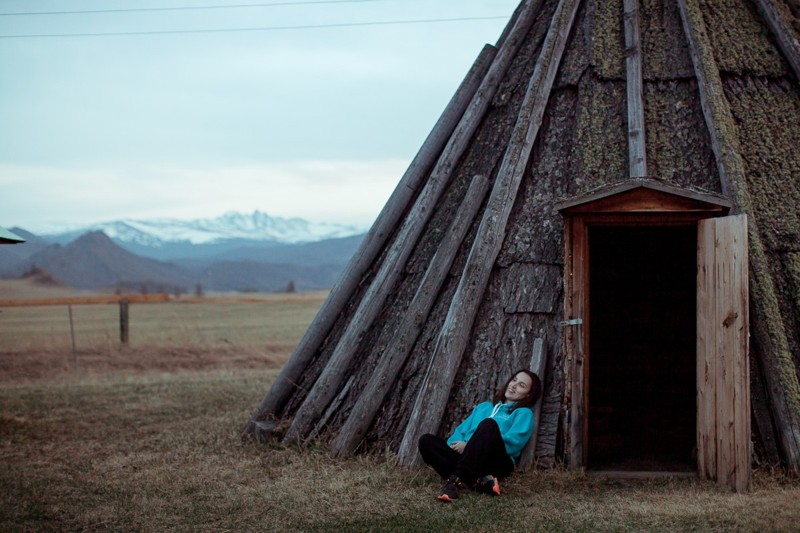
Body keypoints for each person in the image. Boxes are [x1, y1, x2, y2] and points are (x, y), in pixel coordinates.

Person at [418, 369, 542, 503]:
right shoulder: (484, 407)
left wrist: (470, 447)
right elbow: (460, 432)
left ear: (528, 394)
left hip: (497, 461)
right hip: (466, 458)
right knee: (426, 441)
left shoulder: (523, 413)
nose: (513, 385)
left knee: (488, 425)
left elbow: (513, 444)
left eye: (521, 385)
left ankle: (454, 482)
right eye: (514, 380)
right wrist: (457, 446)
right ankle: (480, 480)